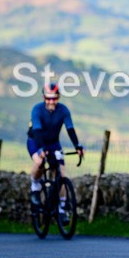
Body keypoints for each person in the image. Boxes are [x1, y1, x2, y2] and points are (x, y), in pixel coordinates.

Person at [27, 83, 84, 220]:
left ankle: (61, 209)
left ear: (58, 97)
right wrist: (41, 149)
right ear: (44, 97)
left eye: (54, 98)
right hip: (36, 141)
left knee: (61, 174)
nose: (51, 101)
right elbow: (38, 131)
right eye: (48, 98)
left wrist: (77, 146)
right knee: (40, 161)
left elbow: (70, 129)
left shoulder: (63, 110)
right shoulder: (37, 110)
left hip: (54, 143)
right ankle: (35, 185)